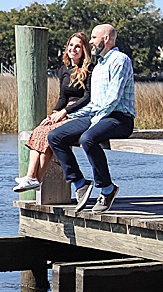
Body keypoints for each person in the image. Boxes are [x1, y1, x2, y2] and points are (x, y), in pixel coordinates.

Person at [46, 23, 136, 214]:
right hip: (99, 116)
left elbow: (113, 98)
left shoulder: (120, 60)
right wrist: (66, 115)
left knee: (89, 138)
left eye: (94, 38)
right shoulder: (100, 65)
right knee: (55, 136)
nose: (91, 41)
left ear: (106, 39)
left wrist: (94, 121)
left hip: (119, 118)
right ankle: (80, 183)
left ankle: (107, 189)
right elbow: (94, 103)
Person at [12, 32, 92, 193]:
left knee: (49, 135)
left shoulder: (90, 69)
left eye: (78, 46)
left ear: (84, 50)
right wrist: (53, 114)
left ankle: (35, 179)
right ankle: (31, 178)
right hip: (64, 112)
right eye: (71, 45)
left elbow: (88, 97)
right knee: (40, 130)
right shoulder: (64, 69)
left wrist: (65, 112)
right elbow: (63, 97)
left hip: (80, 113)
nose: (73, 49)